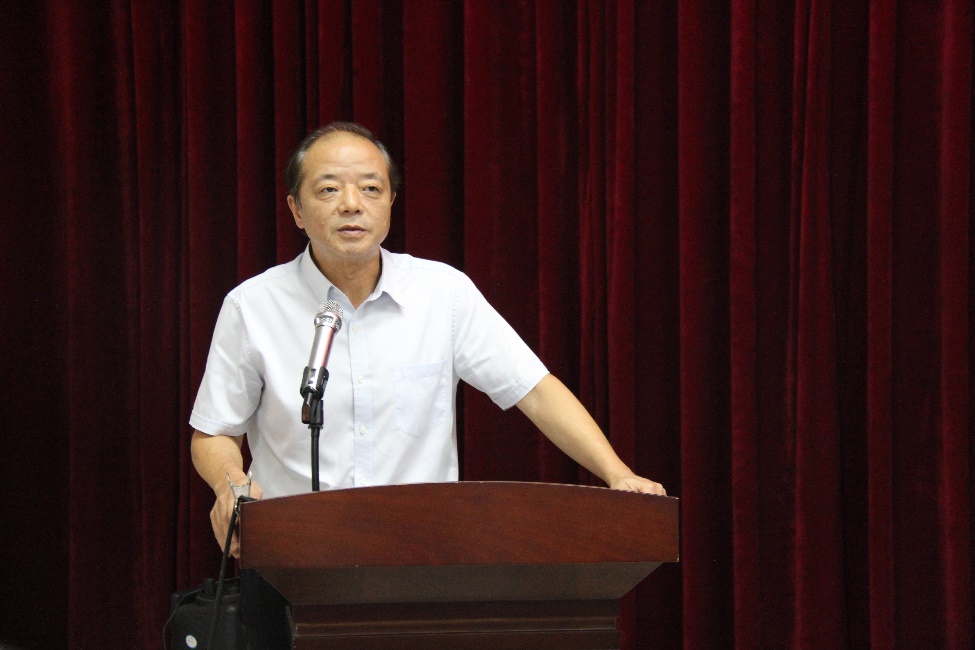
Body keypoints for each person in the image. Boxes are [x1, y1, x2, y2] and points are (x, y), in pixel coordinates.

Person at [190, 122, 666, 560]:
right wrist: (231, 485)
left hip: (420, 553)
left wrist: (617, 473)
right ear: (295, 209)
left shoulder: (443, 293)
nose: (351, 204)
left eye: (371, 188)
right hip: (293, 554)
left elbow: (535, 391)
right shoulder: (252, 305)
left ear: (390, 202)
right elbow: (215, 430)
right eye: (328, 189)